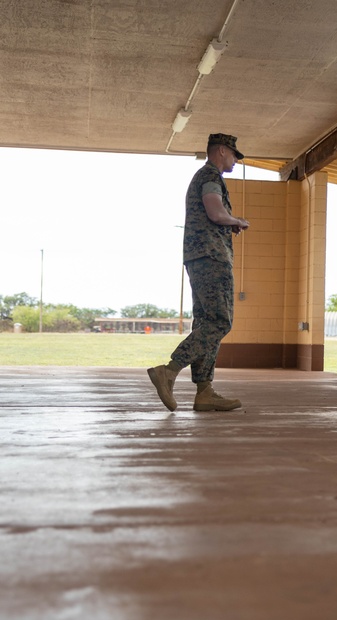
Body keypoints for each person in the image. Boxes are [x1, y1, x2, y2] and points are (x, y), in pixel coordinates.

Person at [147, 133, 250, 413]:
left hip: (200, 257)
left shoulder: (206, 176)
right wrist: (236, 220)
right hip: (212, 258)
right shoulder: (211, 176)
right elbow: (215, 212)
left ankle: (204, 391)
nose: (234, 159)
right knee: (219, 322)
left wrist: (228, 223)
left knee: (206, 323)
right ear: (220, 151)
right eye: (232, 154)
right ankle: (169, 370)